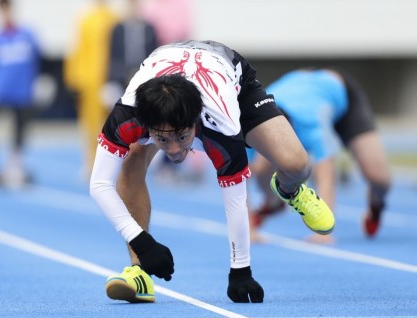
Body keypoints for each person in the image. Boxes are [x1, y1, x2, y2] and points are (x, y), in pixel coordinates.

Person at [89, 40, 335, 303]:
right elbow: (100, 184)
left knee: (297, 164)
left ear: (196, 125)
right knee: (132, 160)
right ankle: (138, 273)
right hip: (165, 67)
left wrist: (240, 270)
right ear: (147, 126)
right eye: (162, 140)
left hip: (232, 80)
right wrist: (140, 241)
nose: (173, 151)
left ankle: (290, 189)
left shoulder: (222, 124)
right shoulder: (127, 116)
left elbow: (236, 197)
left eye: (183, 138)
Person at [249, 68, 392, 242]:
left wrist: (322, 231)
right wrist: (247, 228)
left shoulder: (311, 122)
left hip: (341, 96)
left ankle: (376, 204)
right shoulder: (253, 124)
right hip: (293, 93)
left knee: (378, 178)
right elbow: (241, 177)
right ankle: (274, 200)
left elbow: (326, 174)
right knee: (260, 167)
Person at [0, 0, 41, 188]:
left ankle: (14, 164)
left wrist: (37, 82)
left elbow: (38, 59)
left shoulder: (28, 34)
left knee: (20, 127)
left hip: (22, 91)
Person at [64, 0, 118, 178]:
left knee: (113, 123)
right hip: (91, 80)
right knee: (91, 124)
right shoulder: (87, 19)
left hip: (109, 77)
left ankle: (111, 163)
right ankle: (92, 162)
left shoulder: (114, 19)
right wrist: (74, 76)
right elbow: (78, 48)